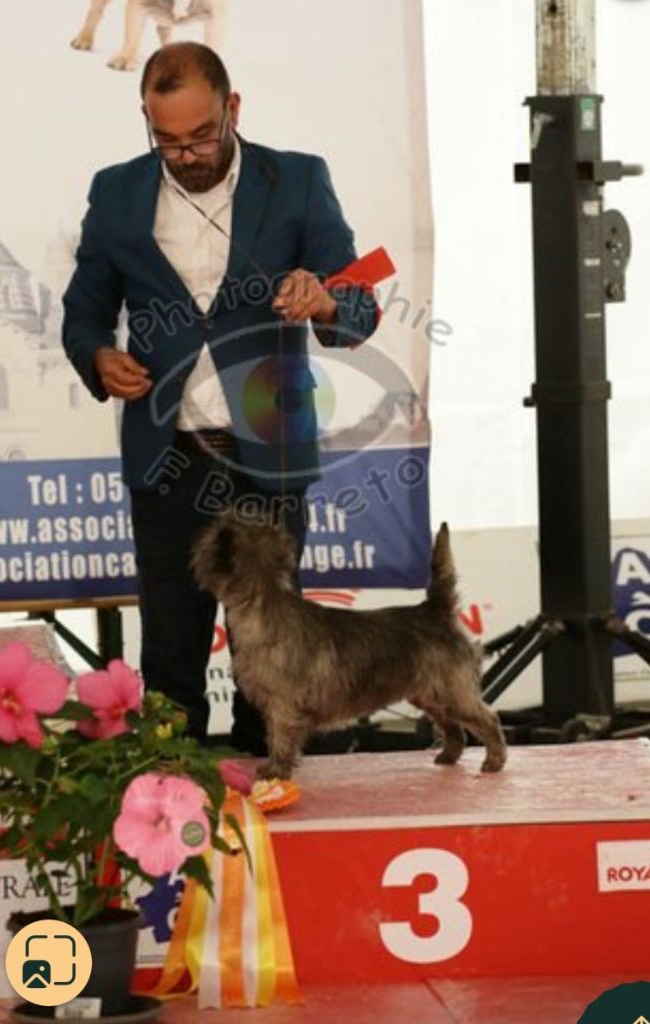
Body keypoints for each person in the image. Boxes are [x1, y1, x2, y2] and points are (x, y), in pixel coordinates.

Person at [63, 42, 378, 753]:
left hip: (267, 449)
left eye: (201, 136)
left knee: (270, 654)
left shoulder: (296, 181)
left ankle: (271, 800)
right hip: (167, 453)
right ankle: (171, 812)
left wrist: (325, 300)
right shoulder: (114, 192)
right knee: (171, 647)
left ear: (233, 109)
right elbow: (83, 312)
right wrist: (97, 355)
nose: (186, 155)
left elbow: (358, 301)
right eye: (166, 140)